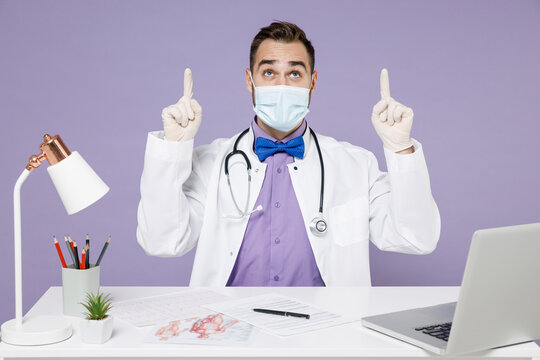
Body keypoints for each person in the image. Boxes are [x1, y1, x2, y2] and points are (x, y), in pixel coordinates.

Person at [136, 21, 441, 286]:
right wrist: (173, 146)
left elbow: (416, 238)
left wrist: (400, 147)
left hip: (326, 332)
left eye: (295, 74)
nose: (281, 85)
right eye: (269, 72)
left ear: (313, 81)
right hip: (229, 329)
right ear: (249, 80)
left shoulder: (355, 165)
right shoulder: (212, 163)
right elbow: (162, 241)